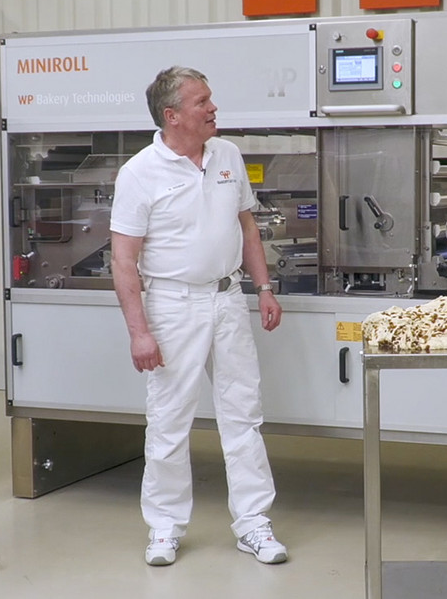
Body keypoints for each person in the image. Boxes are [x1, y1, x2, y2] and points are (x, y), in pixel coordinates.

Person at [110, 66, 287, 567]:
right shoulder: (139, 173)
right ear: (172, 116)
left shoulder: (227, 154)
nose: (213, 108)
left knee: (243, 415)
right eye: (202, 102)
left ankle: (253, 523)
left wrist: (263, 288)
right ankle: (165, 528)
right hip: (172, 305)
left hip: (228, 299)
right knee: (169, 420)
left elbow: (246, 227)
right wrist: (139, 332)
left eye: (210, 99)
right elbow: (123, 260)